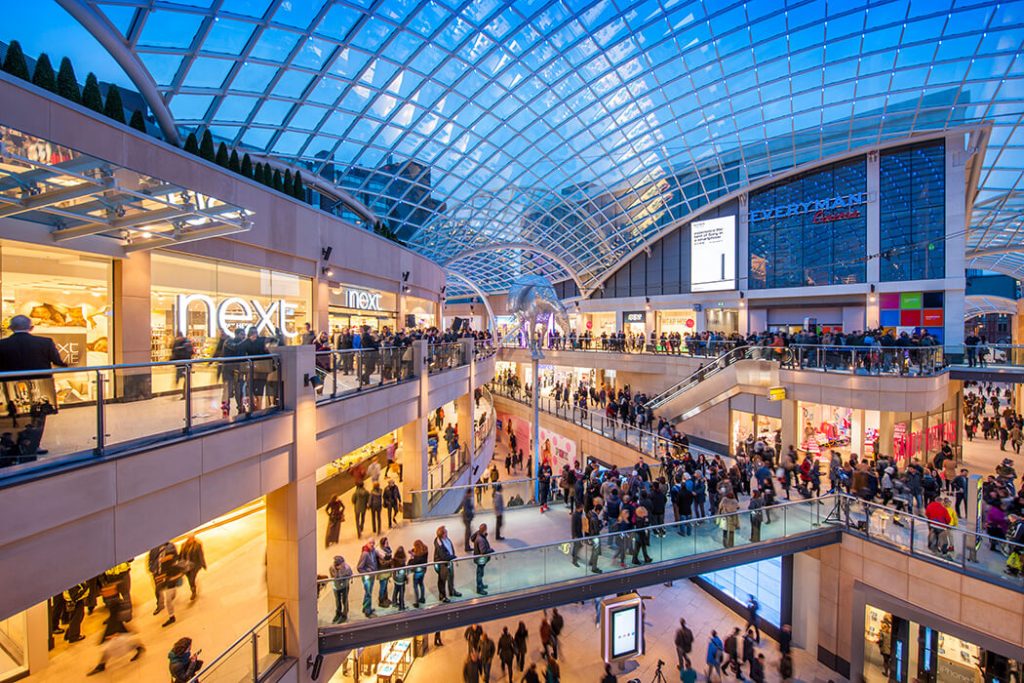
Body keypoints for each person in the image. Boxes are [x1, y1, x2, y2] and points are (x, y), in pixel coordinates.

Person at [0, 314, 68, 456]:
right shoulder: (45, 342)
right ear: (31, 327)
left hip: (10, 387)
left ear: (11, 328)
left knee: (14, 415)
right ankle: (34, 445)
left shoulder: (2, 345)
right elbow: (58, 361)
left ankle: (14, 444)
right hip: (39, 385)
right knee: (38, 415)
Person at [434, 525, 461, 602]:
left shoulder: (446, 539)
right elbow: (443, 556)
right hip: (443, 564)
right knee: (442, 580)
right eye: (446, 532)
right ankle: (442, 596)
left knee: (451, 577)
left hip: (449, 562)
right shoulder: (439, 543)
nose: (447, 533)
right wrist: (453, 557)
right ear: (442, 534)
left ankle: (452, 591)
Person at [180, 535, 206, 601]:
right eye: (190, 538)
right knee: (189, 579)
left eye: (192, 538)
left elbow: (200, 555)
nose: (191, 540)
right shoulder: (183, 545)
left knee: (192, 578)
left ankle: (193, 591)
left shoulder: (197, 545)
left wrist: (203, 564)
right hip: (186, 566)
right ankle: (193, 587)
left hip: (195, 565)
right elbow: (181, 555)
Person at [357, 540, 378, 617]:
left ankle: (365, 607)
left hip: (372, 576)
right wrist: (367, 573)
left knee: (368, 592)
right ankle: (367, 611)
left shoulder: (373, 551)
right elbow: (359, 567)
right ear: (367, 543)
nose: (372, 544)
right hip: (367, 578)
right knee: (368, 593)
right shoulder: (365, 554)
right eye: (370, 543)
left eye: (373, 543)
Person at [472, 523, 494, 595]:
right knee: (480, 573)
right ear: (484, 530)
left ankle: (481, 585)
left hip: (479, 558)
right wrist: (491, 550)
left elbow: (472, 538)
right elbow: (483, 551)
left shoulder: (478, 534)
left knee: (480, 573)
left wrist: (484, 535)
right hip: (480, 559)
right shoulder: (480, 539)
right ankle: (479, 588)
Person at [329, 555, 352, 623]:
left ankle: (344, 614)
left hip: (345, 586)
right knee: (337, 600)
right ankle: (338, 613)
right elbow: (333, 576)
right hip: (336, 587)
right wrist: (338, 574)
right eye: (341, 564)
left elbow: (350, 575)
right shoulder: (331, 568)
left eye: (343, 563)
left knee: (344, 600)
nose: (343, 564)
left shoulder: (347, 568)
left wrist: (345, 578)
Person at [409, 540, 429, 607]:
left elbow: (412, 562)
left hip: (417, 572)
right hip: (423, 570)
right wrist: (413, 552)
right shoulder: (425, 551)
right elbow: (416, 553)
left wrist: (412, 556)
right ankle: (422, 598)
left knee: (415, 586)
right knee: (421, 584)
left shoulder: (417, 557)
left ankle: (417, 602)